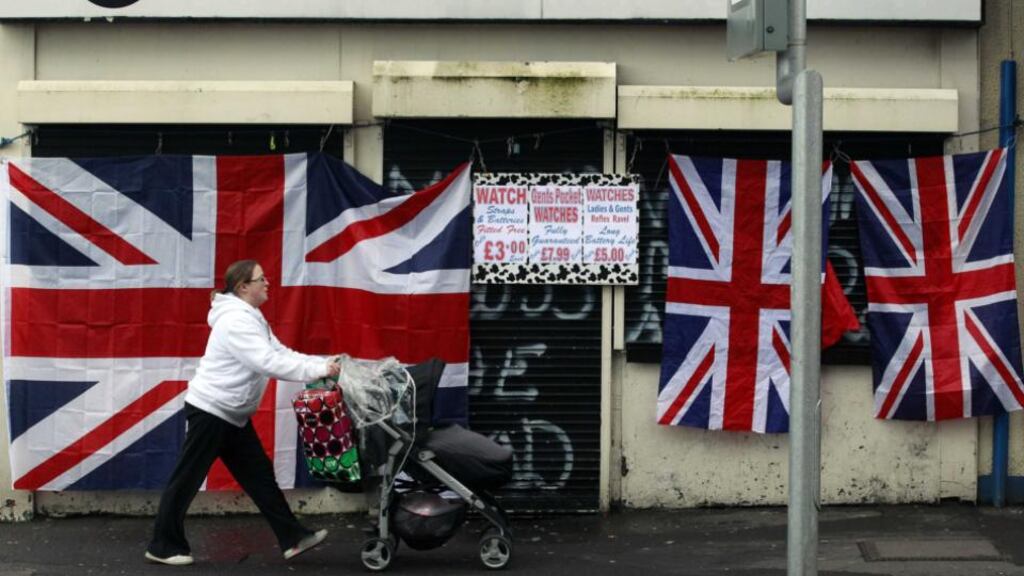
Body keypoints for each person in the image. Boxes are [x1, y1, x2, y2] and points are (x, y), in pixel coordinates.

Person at [145, 259, 341, 566]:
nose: (268, 284)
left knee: (260, 478)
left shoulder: (251, 316)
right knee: (186, 479)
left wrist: (322, 362)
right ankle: (162, 545)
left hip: (230, 414)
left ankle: (293, 538)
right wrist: (318, 368)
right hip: (211, 411)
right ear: (243, 287)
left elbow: (280, 353)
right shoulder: (235, 321)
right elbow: (267, 363)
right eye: (261, 279)